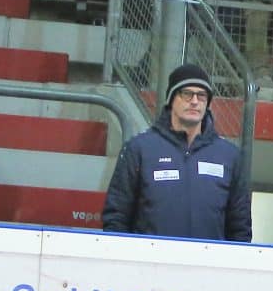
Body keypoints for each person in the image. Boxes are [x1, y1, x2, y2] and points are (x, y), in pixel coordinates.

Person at [100, 63, 252, 242]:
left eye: (201, 96)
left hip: (208, 267)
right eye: (187, 94)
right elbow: (116, 218)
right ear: (171, 99)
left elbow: (240, 228)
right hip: (149, 266)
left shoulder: (229, 156)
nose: (195, 101)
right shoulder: (139, 149)